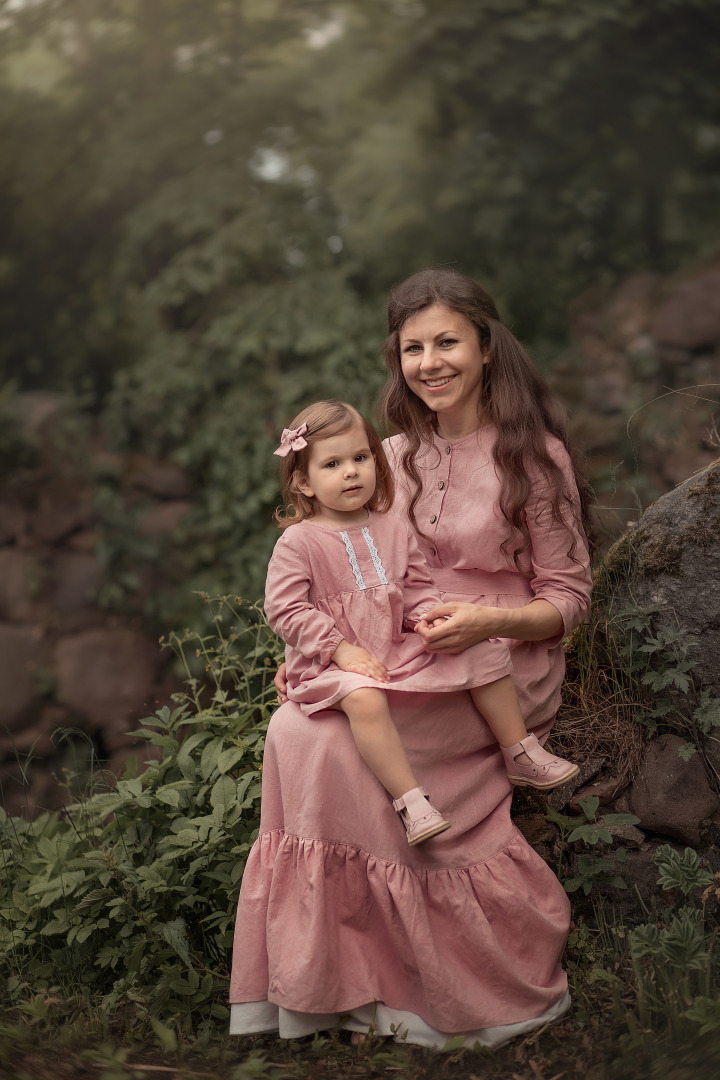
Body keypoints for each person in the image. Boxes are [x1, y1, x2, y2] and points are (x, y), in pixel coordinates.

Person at [229, 268, 593, 1049]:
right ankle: (339, 982)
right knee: (298, 735)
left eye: (447, 343)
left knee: (332, 744)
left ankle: (432, 982)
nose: (431, 362)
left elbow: (567, 599)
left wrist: (484, 619)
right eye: (413, 347)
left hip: (494, 658)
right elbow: (328, 570)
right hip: (396, 651)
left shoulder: (532, 457)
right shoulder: (386, 454)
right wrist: (314, 649)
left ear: (486, 348)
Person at [266, 400, 579, 846]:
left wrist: (427, 618)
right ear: (304, 481)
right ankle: (411, 802)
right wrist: (339, 649)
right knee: (366, 700)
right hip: (332, 663)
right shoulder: (298, 542)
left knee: (478, 647)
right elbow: (286, 610)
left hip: (393, 645)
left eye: (360, 458)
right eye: (332, 464)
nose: (351, 472)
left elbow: (414, 588)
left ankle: (521, 751)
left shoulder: (391, 528)